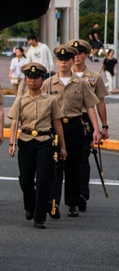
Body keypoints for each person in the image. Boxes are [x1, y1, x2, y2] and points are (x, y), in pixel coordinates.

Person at [45, 44, 101, 218]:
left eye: (67, 60)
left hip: (74, 126)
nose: (63, 63)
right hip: (54, 127)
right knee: (55, 166)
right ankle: (53, 203)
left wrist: (97, 129)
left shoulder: (81, 83)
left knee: (73, 166)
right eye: (60, 60)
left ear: (71, 61)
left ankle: (72, 202)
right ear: (56, 62)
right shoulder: (48, 83)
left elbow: (90, 106)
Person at [7, 62, 65, 228]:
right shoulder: (20, 100)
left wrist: (62, 146)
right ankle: (30, 205)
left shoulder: (50, 100)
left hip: (44, 141)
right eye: (30, 78)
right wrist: (12, 143)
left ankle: (39, 217)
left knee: (43, 180)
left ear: (42, 79)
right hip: (25, 141)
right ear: (26, 80)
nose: (33, 81)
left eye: (36, 77)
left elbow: (57, 124)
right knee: (25, 180)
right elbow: (14, 123)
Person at [70, 39, 109, 211]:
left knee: (83, 158)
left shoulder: (94, 77)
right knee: (64, 161)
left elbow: (100, 102)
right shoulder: (62, 76)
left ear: (86, 55)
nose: (77, 57)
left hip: (86, 121)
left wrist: (104, 126)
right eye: (74, 53)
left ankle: (81, 194)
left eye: (80, 53)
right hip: (66, 120)